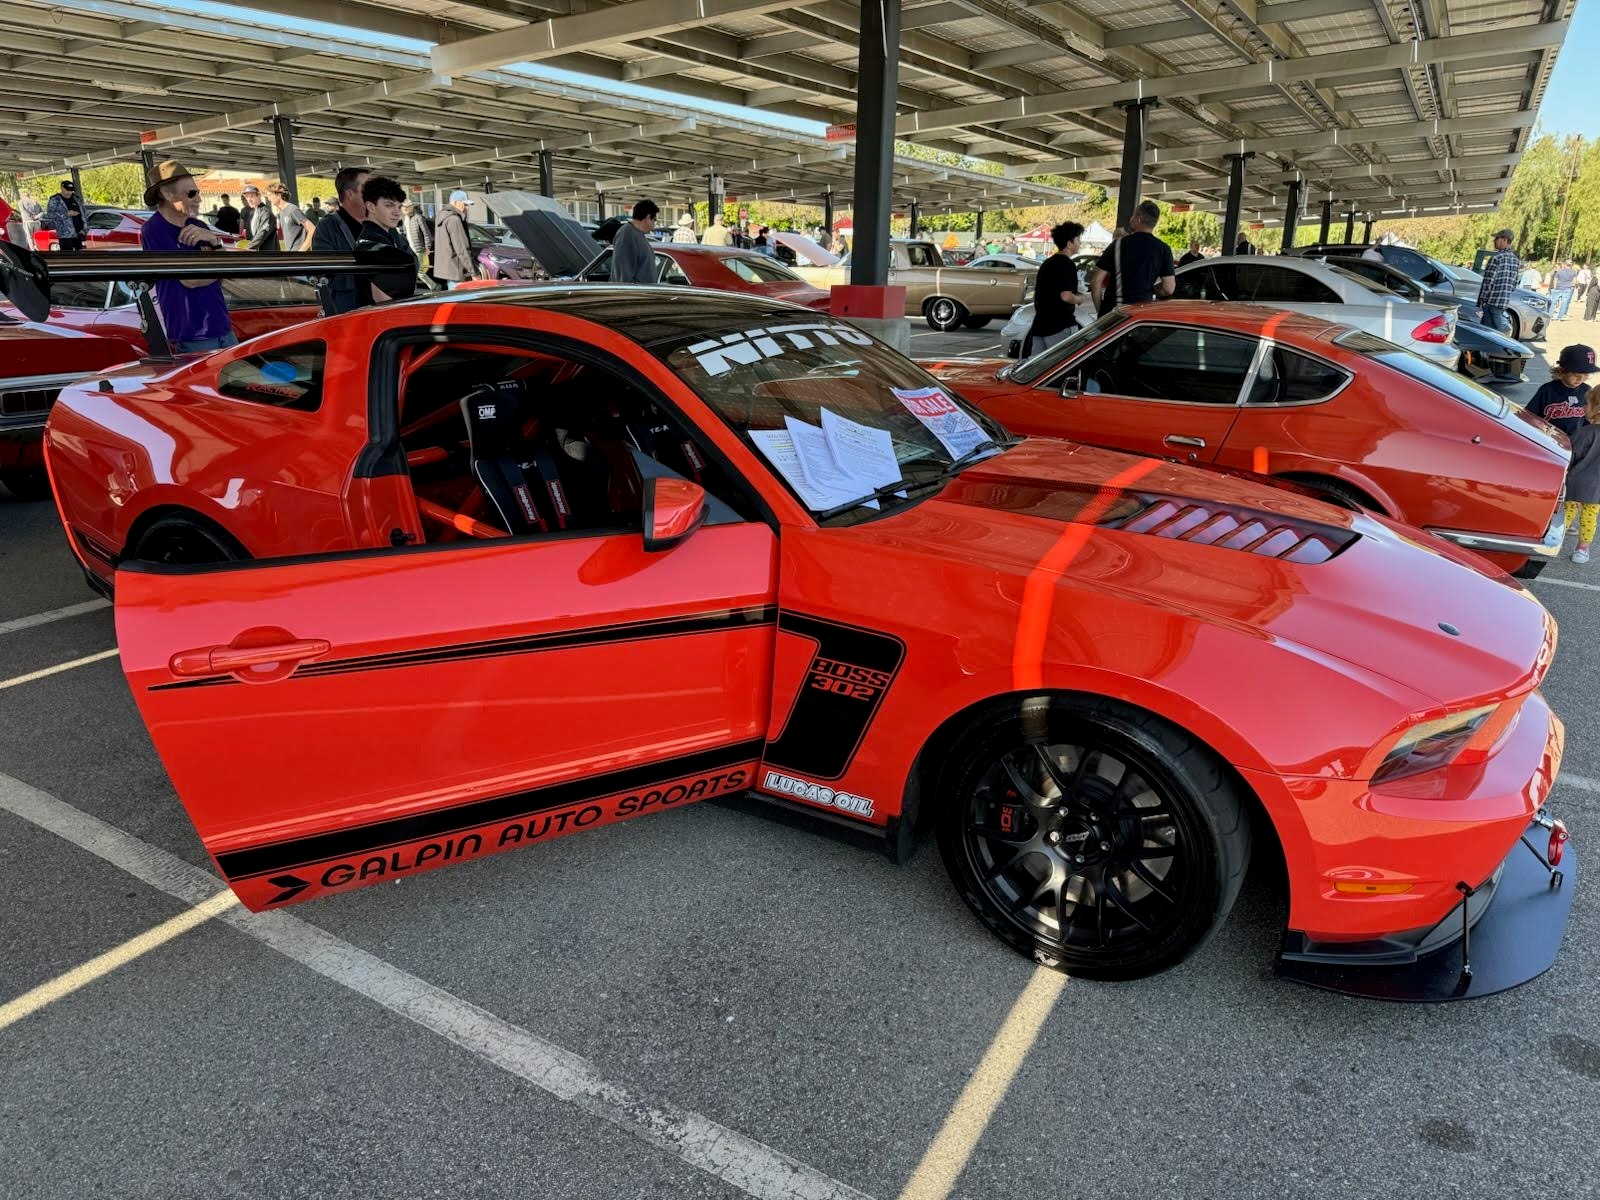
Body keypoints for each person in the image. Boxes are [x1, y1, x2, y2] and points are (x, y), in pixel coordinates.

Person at [137, 160, 235, 354]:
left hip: (222, 325)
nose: (198, 199)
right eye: (191, 193)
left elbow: (228, 269)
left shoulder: (200, 227)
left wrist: (215, 241)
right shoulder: (154, 229)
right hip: (192, 332)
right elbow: (190, 280)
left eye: (197, 192)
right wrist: (219, 269)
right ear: (167, 194)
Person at [1091, 200, 1175, 315]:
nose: (1131, 219)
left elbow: (1096, 281)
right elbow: (1168, 288)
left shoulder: (1117, 245)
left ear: (1139, 219)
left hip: (1115, 312)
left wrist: (1101, 312)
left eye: (1133, 216)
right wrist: (1152, 289)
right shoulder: (1163, 249)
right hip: (1140, 316)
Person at [310, 166, 371, 314]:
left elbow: (409, 258)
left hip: (385, 312)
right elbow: (324, 271)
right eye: (368, 187)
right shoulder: (328, 227)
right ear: (350, 194)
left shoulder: (382, 222)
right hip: (349, 315)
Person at [1023, 222, 1088, 358]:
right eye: (1078, 239)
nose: (1080, 243)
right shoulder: (1067, 264)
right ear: (1069, 243)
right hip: (1060, 324)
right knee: (1061, 364)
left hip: (1040, 323)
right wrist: (1080, 298)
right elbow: (1066, 296)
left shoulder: (1047, 263)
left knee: (1037, 367)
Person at [353, 176, 417, 307]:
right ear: (370, 206)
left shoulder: (391, 236)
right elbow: (383, 299)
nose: (397, 212)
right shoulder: (370, 243)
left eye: (399, 207)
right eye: (389, 205)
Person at [1562, 380, 1600, 565]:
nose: (1584, 407)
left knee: (1567, 513)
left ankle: (1557, 539)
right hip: (1596, 488)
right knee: (1589, 518)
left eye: (1587, 403)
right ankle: (1582, 549)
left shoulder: (1585, 432)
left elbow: (1571, 455)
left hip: (1576, 482)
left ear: (1597, 408)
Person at [1525, 344, 1595, 442]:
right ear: (1563, 371)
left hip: (1574, 441)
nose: (1581, 379)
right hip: (1549, 440)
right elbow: (1529, 415)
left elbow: (1589, 420)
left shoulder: (1586, 390)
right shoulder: (1548, 390)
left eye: (1586, 375)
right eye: (1576, 375)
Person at [1474, 228, 1519, 335]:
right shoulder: (1515, 260)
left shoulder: (1496, 258)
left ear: (1504, 239)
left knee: (1488, 333)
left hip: (1491, 301)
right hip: (1503, 301)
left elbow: (1488, 282)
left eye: (1496, 238)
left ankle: (1503, 338)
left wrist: (1481, 300)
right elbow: (1514, 284)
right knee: (1492, 330)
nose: (1494, 241)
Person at [432, 189, 477, 288]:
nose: (467, 208)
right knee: (462, 302)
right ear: (456, 203)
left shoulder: (443, 217)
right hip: (458, 271)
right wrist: (473, 273)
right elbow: (462, 249)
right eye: (465, 204)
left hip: (450, 270)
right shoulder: (454, 219)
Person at [612, 199, 658, 284]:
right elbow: (623, 275)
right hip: (635, 295)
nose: (653, 226)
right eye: (654, 220)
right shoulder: (626, 235)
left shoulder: (637, 234)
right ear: (648, 218)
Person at [267, 184, 314, 252]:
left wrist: (302, 250)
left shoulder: (292, 210)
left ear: (279, 196)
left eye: (270, 195)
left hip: (300, 257)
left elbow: (312, 229)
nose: (268, 198)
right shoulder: (281, 212)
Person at [44, 179, 85, 251]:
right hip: (65, 235)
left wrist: (84, 228)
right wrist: (66, 214)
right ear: (62, 188)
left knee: (80, 257)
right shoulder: (55, 200)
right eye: (68, 190)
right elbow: (50, 215)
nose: (70, 192)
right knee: (68, 255)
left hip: (78, 233)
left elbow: (83, 214)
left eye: (71, 190)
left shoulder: (76, 199)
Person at [240, 185, 278, 252]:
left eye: (252, 196)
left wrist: (248, 248)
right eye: (247, 197)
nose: (249, 199)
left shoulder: (266, 213)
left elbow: (261, 234)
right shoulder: (253, 212)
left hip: (268, 255)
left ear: (259, 195)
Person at [402, 201, 433, 271]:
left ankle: (431, 283)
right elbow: (405, 233)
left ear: (411, 207)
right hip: (410, 249)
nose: (404, 209)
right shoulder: (405, 218)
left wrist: (427, 247)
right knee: (413, 271)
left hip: (419, 249)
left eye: (406, 207)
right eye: (403, 207)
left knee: (419, 272)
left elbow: (426, 233)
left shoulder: (418, 217)